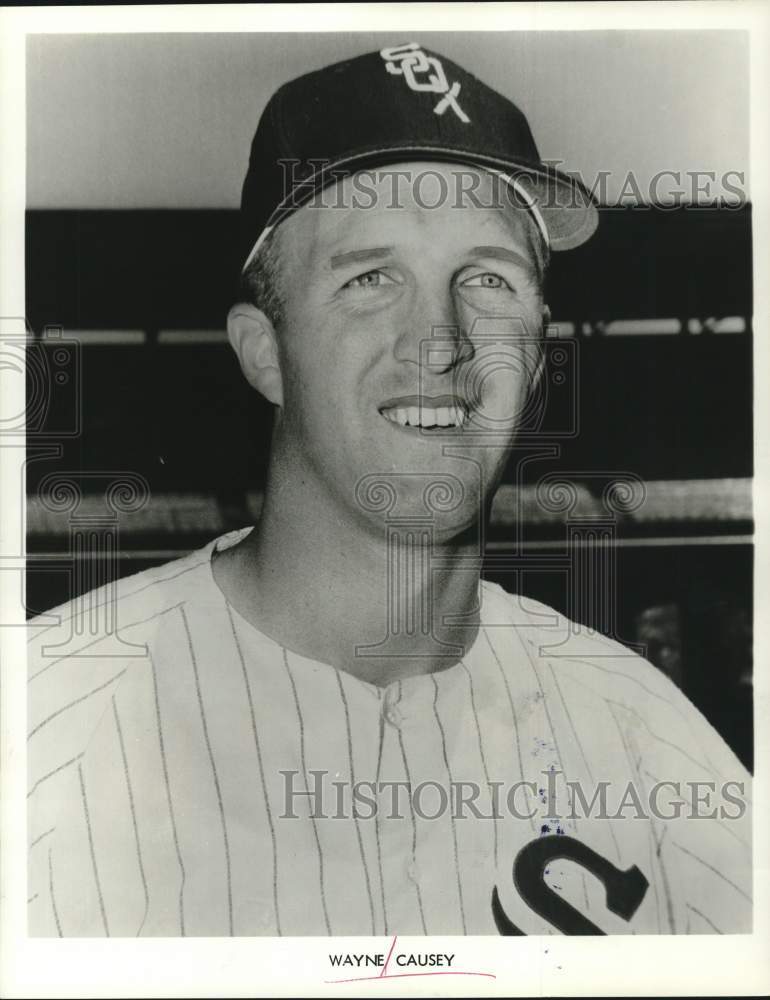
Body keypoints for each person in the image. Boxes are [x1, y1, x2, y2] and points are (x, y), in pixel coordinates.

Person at [27, 43, 751, 937]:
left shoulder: (647, 737)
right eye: (370, 278)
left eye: (487, 278)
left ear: (537, 347)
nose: (440, 341)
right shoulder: (41, 731)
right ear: (264, 352)